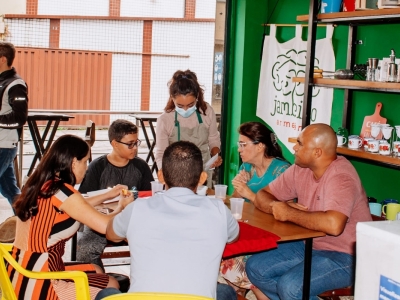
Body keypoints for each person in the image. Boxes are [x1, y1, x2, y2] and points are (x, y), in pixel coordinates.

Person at [245, 123, 372, 300]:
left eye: (300, 144)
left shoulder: (341, 176)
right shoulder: (300, 168)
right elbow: (263, 195)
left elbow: (334, 225)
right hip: (310, 244)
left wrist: (288, 213)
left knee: (291, 287)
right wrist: (276, 206)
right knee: (255, 268)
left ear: (317, 152)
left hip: (347, 256)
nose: (294, 148)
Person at [102, 141, 239, 299]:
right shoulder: (219, 209)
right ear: (202, 178)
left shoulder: (137, 208)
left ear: (160, 176)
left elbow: (110, 234)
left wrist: (124, 214)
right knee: (224, 291)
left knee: (107, 294)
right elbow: (233, 237)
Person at [10, 135, 134, 300]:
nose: (86, 168)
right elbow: (106, 226)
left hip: (21, 271)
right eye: (85, 162)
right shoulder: (64, 192)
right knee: (112, 285)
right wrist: (121, 207)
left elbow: (77, 205)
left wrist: (108, 194)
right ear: (74, 162)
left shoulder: (44, 184)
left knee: (96, 270)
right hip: (42, 283)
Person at [220, 121, 290, 292]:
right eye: (239, 144)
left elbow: (283, 211)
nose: (239, 149)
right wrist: (239, 188)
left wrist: (248, 192)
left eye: (243, 145)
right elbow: (236, 201)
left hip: (275, 237)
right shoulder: (247, 167)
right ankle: (240, 291)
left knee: (229, 263)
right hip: (251, 228)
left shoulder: (282, 171)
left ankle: (256, 288)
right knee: (220, 254)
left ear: (259, 147)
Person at [77, 119, 154, 270]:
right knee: (85, 250)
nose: (135, 148)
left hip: (134, 221)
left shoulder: (141, 166)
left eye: (136, 142)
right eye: (130, 144)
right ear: (115, 144)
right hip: (100, 223)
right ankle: (100, 285)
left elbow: (150, 197)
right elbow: (83, 201)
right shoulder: (97, 167)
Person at [155, 69, 222, 187]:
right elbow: (161, 153)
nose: (185, 109)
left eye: (190, 105)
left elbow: (213, 138)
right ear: (172, 98)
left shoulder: (206, 111)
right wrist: (164, 173)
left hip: (203, 171)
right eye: (180, 106)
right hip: (176, 174)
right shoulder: (165, 120)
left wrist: (215, 155)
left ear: (197, 97)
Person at [0, 42, 28, 212]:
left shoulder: (15, 84)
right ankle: (26, 227)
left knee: (11, 190)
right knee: (11, 191)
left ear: (2, 59)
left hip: (4, 146)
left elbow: (19, 118)